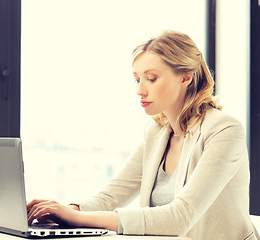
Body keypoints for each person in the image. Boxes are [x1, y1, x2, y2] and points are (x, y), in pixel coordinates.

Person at [27, 31, 259, 240]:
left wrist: (77, 219)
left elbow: (180, 217)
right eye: (137, 79)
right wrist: (65, 211)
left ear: (185, 77)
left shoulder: (225, 130)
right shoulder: (156, 132)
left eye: (151, 78)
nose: (140, 90)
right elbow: (112, 196)